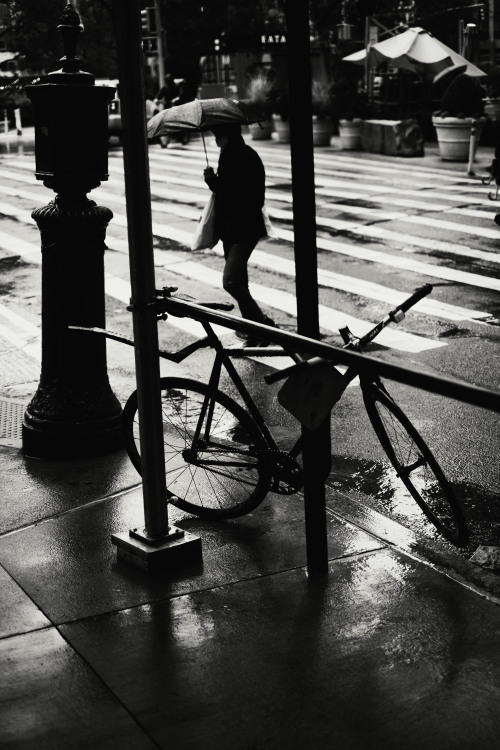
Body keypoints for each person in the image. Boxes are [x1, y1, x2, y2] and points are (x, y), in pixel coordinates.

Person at [203, 123, 275, 345]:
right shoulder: (240, 153)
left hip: (242, 228)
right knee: (240, 281)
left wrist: (211, 180)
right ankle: (251, 327)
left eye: (218, 135)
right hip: (235, 228)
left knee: (231, 281)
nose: (216, 140)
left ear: (226, 136)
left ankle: (263, 325)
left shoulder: (236, 155)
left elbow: (231, 191)